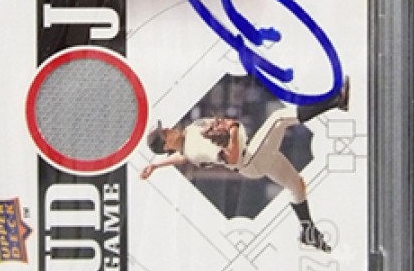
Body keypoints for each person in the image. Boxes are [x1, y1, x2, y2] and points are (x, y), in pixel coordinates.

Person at [139, 77, 350, 252]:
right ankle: (336, 101)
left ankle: (308, 231)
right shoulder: (195, 148)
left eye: (164, 128)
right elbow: (231, 158)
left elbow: (182, 156)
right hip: (249, 159)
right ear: (167, 144)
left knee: (296, 186)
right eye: (164, 133)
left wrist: (157, 165)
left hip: (254, 156)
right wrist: (231, 130)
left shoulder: (188, 137)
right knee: (278, 118)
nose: (167, 129)